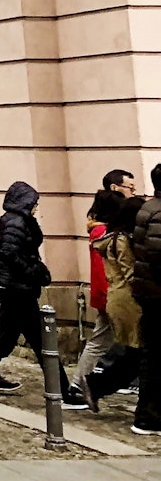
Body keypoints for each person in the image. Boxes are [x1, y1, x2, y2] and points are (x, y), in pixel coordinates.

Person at [0, 181, 68, 398]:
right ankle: (61, 388)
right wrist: (33, 271)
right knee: (38, 340)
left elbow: (24, 253)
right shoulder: (16, 222)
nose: (36, 206)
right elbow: (11, 253)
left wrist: (36, 269)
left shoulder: (19, 220)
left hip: (18, 287)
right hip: (17, 288)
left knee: (7, 340)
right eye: (34, 202)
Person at [82, 197, 147, 410]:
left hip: (121, 298)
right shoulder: (121, 239)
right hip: (128, 300)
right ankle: (96, 385)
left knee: (134, 354)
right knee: (137, 353)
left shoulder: (115, 237)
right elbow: (130, 273)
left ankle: (97, 385)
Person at [73, 190, 128, 404]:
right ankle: (80, 384)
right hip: (109, 295)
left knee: (102, 341)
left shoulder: (100, 232)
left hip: (106, 294)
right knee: (100, 342)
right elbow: (103, 271)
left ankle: (83, 383)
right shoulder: (104, 235)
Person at [129, 166, 161, 435]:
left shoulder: (148, 209)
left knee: (151, 354)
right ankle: (149, 415)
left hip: (148, 291)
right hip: (157, 293)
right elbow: (156, 254)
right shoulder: (158, 212)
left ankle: (147, 413)